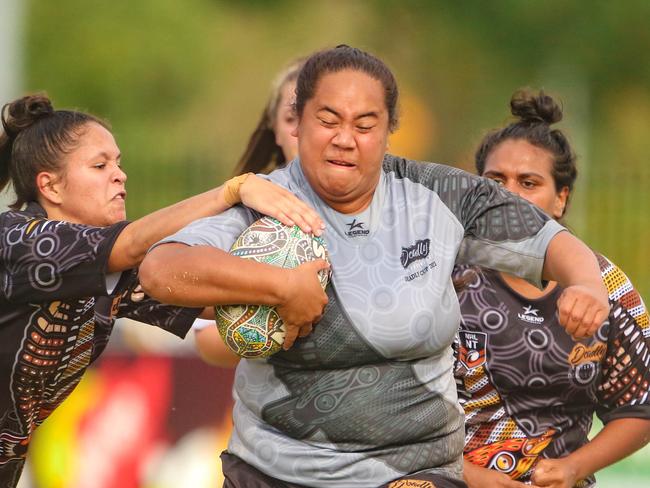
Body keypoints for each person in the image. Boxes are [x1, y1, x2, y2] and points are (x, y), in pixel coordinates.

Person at [140, 45, 610, 488]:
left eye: (365, 125)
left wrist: (587, 284)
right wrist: (279, 286)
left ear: (389, 131)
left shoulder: (439, 195)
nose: (345, 139)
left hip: (416, 468)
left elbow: (552, 240)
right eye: (328, 121)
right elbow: (160, 269)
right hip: (274, 470)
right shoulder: (267, 201)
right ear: (297, 123)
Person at [0, 93, 329, 487]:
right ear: (49, 187)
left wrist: (294, 285)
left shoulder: (109, 277)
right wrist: (232, 192)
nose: (120, 175)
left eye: (118, 163)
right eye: (100, 165)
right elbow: (132, 243)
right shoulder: (14, 238)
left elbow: (208, 299)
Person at [455, 90, 650, 488]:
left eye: (528, 183)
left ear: (561, 199)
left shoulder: (605, 285)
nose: (507, 195)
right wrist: (468, 476)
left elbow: (640, 406)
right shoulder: (442, 273)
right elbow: (390, 405)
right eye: (495, 180)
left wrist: (573, 468)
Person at [194, 58, 305, 367]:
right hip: (275, 404)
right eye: (292, 118)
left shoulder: (395, 205)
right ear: (274, 127)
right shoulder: (245, 208)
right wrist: (280, 317)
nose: (304, 131)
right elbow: (205, 340)